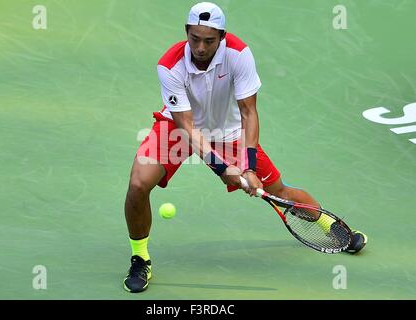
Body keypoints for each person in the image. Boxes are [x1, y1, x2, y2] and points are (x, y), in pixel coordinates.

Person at [123, 2, 367, 293]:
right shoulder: (169, 65)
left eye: (209, 41)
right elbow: (187, 127)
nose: (200, 47)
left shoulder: (239, 54)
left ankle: (328, 222)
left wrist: (248, 166)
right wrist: (223, 168)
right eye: (195, 39)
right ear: (186, 32)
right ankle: (140, 257)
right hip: (178, 128)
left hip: (229, 133)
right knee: (138, 183)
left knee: (279, 191)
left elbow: (249, 112)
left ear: (222, 37)